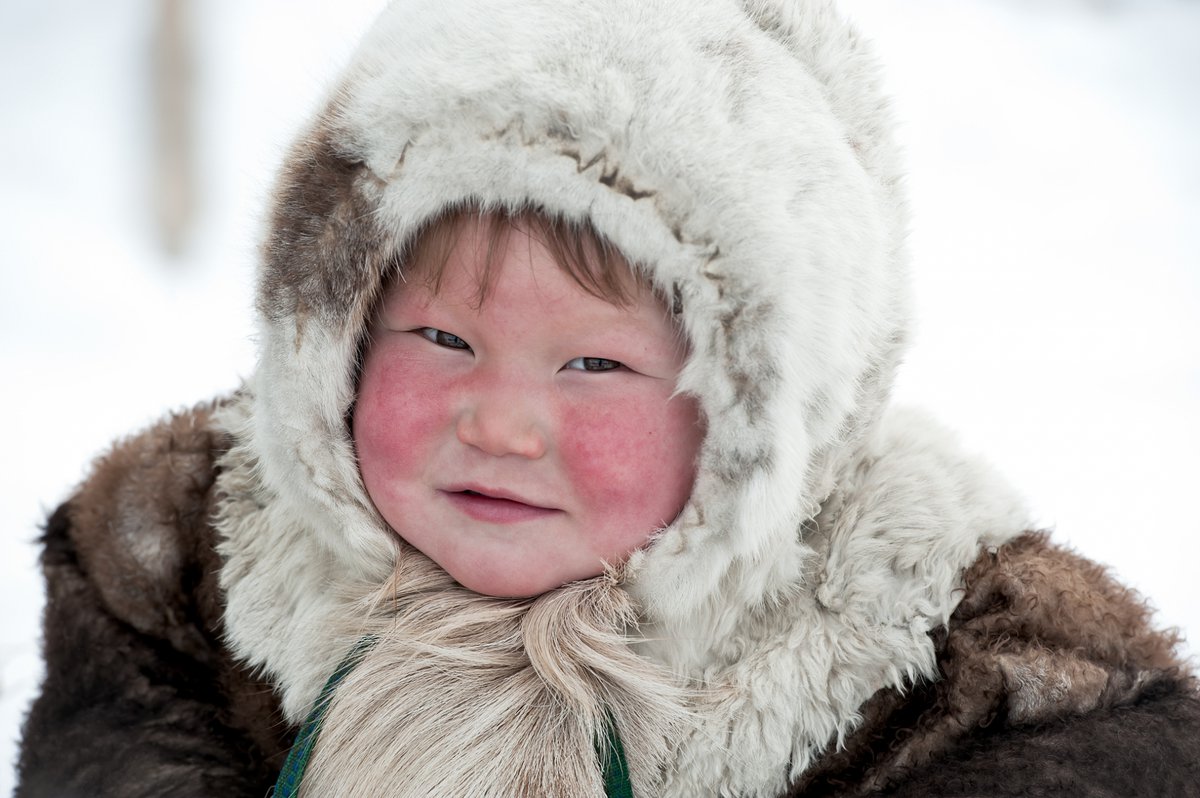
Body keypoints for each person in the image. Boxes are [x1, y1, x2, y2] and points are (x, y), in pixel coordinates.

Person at [16, 0, 1200, 795]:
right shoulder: (184, 556)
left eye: (594, 365)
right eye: (438, 335)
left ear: (758, 410)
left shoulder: (953, 656)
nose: (498, 422)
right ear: (326, 339)